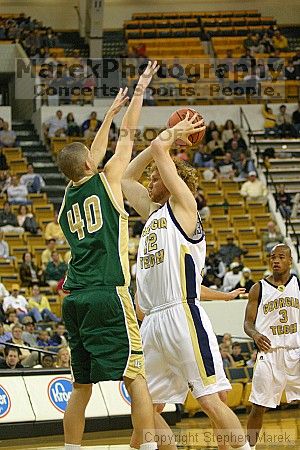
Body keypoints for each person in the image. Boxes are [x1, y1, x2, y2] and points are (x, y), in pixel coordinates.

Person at [122, 114, 251, 450]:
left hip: (182, 316)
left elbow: (159, 149)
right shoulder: (153, 213)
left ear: (173, 179)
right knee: (144, 406)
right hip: (152, 321)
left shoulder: (185, 208)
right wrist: (158, 150)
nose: (150, 180)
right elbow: (125, 178)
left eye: (156, 177)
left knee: (211, 400)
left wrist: (171, 136)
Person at [57, 61, 160, 450]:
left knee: (81, 386)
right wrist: (137, 94)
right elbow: (128, 138)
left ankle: (71, 449)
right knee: (136, 377)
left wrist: (107, 117)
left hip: (76, 298)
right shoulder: (110, 178)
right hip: (108, 293)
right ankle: (148, 446)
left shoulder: (68, 194)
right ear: (90, 164)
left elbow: (89, 156)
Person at [244, 244, 300, 450]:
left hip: (296, 350)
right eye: (272, 257)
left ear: (290, 261)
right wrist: (255, 334)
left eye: (281, 257)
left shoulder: (298, 284)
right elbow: (248, 323)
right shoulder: (258, 288)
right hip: (269, 353)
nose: (275, 260)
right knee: (258, 406)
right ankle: (249, 447)